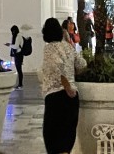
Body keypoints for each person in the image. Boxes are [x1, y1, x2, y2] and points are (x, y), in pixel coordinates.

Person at [40, 16, 87, 154]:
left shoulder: (49, 48)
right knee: (66, 142)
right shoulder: (68, 47)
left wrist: (66, 85)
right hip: (72, 99)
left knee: (53, 140)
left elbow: (56, 66)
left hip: (57, 97)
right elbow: (82, 64)